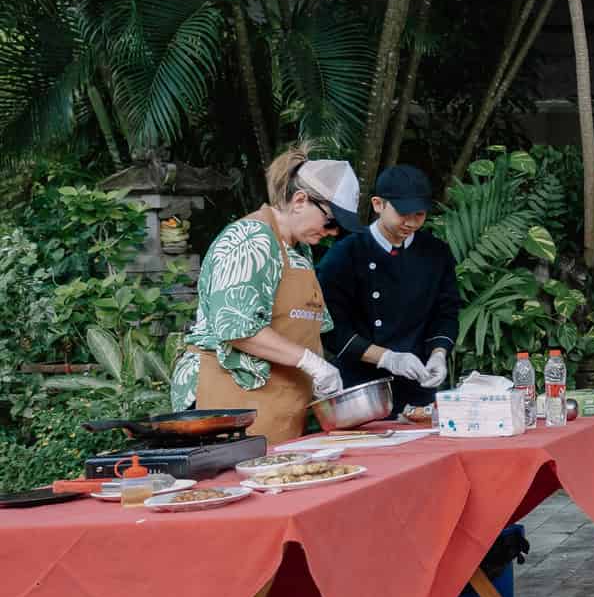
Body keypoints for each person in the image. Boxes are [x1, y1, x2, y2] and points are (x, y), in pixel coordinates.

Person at [169, 143, 356, 444]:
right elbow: (237, 328)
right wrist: (311, 363)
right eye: (331, 222)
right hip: (226, 398)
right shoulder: (250, 238)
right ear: (299, 200)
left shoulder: (300, 251)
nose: (333, 233)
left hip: (279, 401)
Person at [316, 164, 459, 409]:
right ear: (378, 204)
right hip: (360, 389)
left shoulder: (436, 253)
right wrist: (386, 357)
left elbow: (446, 311)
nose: (411, 223)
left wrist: (438, 354)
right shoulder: (346, 254)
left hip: (419, 385)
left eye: (420, 214)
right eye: (404, 213)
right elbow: (330, 327)